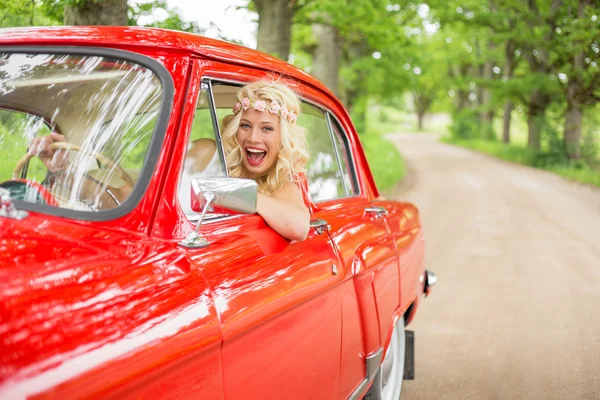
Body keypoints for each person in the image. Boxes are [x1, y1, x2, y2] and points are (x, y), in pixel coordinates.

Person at [29, 80, 311, 242]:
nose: (253, 138)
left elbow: (299, 227)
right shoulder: (207, 151)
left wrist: (234, 192)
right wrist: (66, 171)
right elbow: (145, 182)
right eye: (245, 125)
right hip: (140, 237)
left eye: (267, 129)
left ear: (283, 137)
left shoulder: (279, 186)